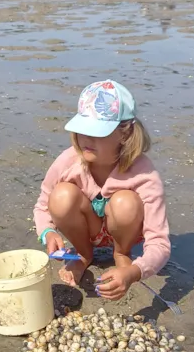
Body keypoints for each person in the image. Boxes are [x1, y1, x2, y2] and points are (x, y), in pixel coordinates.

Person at [33, 80, 170, 300]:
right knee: (61, 196)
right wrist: (47, 232)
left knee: (125, 201)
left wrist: (135, 272)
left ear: (125, 134)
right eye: (82, 130)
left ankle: (121, 254)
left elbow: (160, 243)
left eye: (97, 133)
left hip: (126, 230)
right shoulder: (68, 161)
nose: (86, 139)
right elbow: (42, 207)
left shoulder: (144, 173)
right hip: (87, 228)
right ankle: (83, 254)